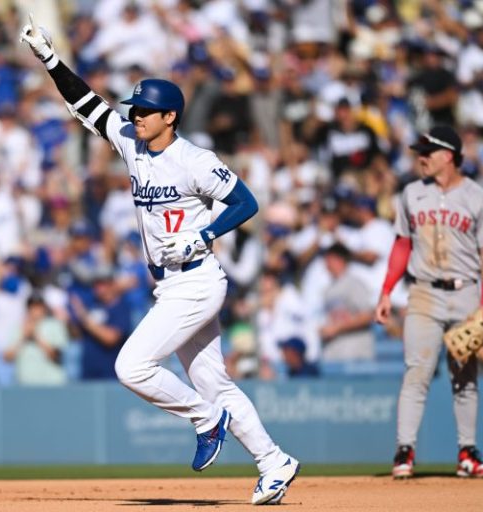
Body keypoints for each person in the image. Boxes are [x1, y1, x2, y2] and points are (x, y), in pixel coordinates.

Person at [20, 18, 299, 505]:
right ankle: (274, 461)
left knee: (131, 366)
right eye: (136, 109)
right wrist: (49, 58)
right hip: (169, 284)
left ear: (171, 116)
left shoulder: (194, 159)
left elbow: (246, 202)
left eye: (147, 110)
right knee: (215, 382)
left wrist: (204, 233)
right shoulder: (129, 141)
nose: (137, 115)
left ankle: (205, 419)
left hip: (196, 280)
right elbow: (84, 104)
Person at [375, 125, 483, 479]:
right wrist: (387, 290)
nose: (421, 157)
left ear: (448, 156)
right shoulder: (412, 193)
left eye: (428, 152)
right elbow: (402, 245)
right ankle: (405, 451)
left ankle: (467, 452)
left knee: (465, 377)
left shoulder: (478, 197)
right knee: (417, 371)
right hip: (424, 292)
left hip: (466, 292)